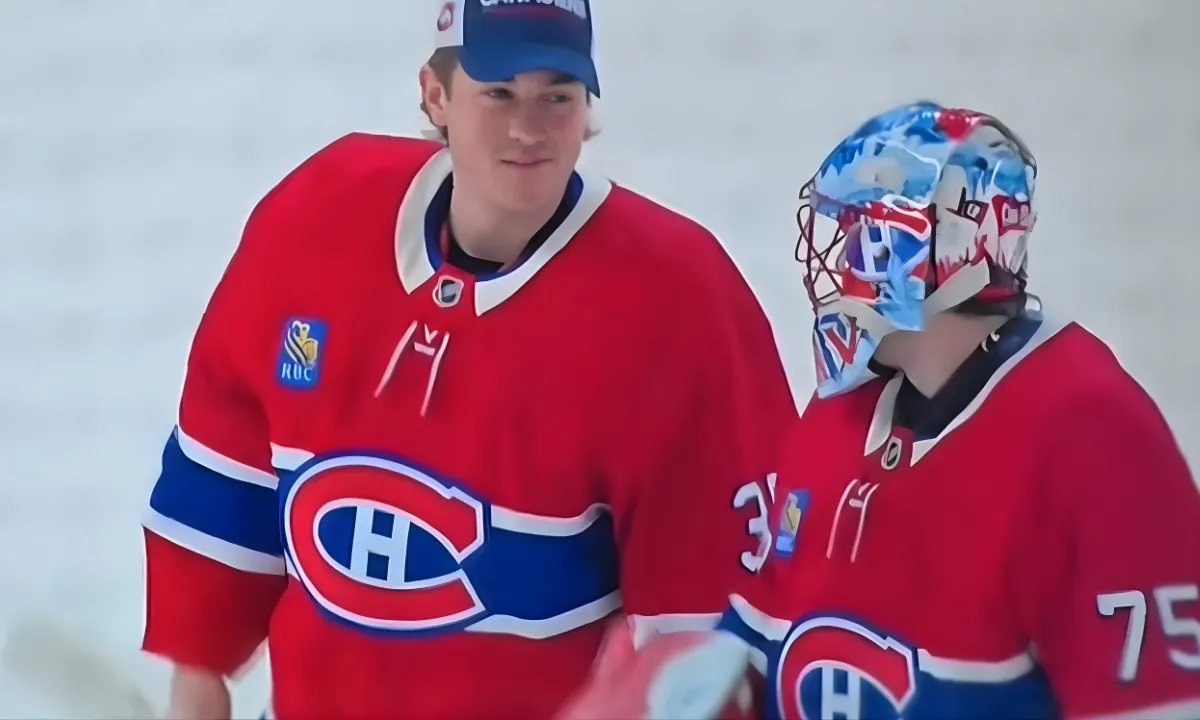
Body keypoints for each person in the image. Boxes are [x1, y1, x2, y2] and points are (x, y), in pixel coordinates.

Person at [139, 0, 798, 718]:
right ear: (435, 94)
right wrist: (196, 680)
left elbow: (716, 628)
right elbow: (227, 477)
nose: (528, 127)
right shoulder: (316, 220)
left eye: (557, 97)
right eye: (498, 94)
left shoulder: (679, 301)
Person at [558, 102, 1200, 720]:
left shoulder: (1095, 437)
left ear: (939, 253)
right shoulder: (841, 417)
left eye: (865, 235)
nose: (836, 264)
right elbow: (756, 650)